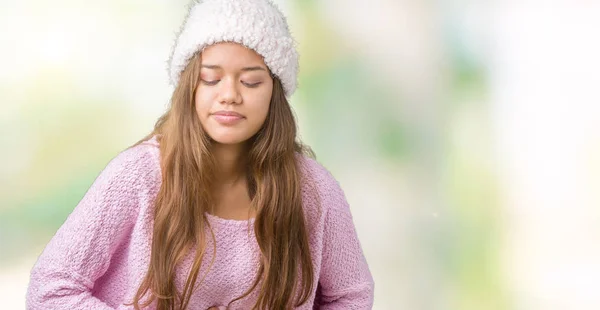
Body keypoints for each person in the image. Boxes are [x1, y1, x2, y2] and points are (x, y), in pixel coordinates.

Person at [26, 0, 374, 309]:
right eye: (211, 79)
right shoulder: (137, 175)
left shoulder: (312, 189)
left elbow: (352, 296)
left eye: (251, 82)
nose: (229, 95)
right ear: (189, 87)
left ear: (275, 94)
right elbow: (50, 289)